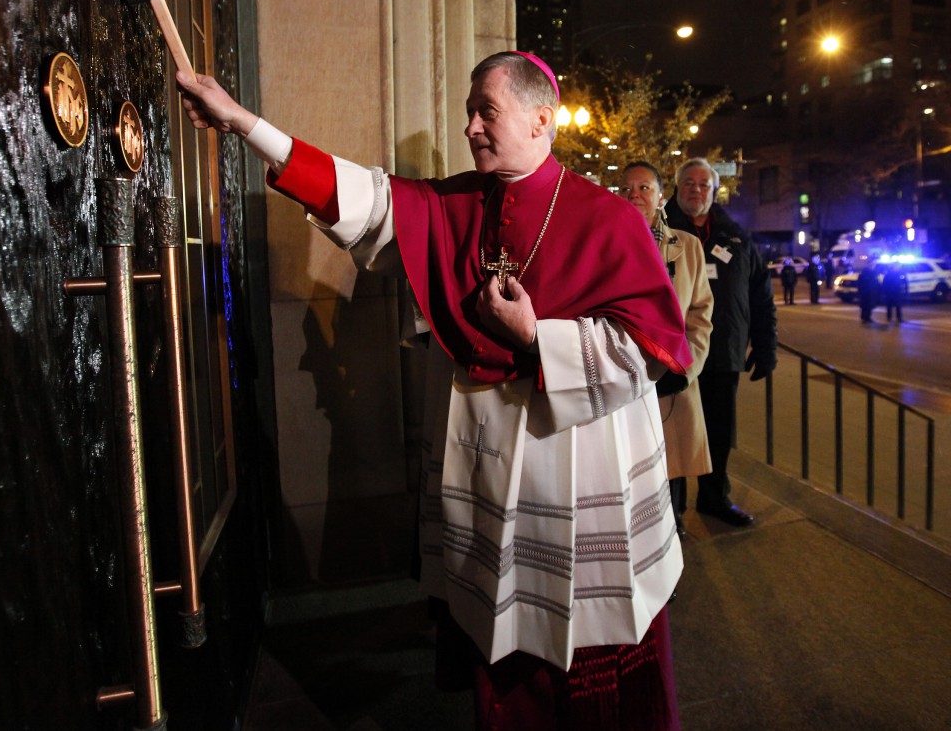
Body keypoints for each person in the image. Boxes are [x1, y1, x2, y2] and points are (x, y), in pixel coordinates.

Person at [176, 52, 692, 730]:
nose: (472, 126)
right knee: (497, 660)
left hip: (571, 485)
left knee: (584, 675)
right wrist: (246, 124)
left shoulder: (610, 220)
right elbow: (356, 194)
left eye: (488, 111)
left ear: (543, 119)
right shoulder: (455, 203)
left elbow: (654, 350)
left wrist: (537, 336)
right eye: (469, 112)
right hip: (485, 483)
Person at [665, 158, 777, 528]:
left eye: (704, 185)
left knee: (718, 432)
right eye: (688, 184)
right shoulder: (660, 233)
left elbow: (760, 297)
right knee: (676, 434)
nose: (696, 190)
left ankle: (715, 498)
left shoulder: (738, 238)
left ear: (715, 191)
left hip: (723, 354)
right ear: (676, 188)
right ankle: (672, 511)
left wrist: (765, 347)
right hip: (676, 356)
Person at [620, 162, 713, 542]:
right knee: (629, 472)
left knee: (669, 472)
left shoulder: (686, 247)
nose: (636, 195)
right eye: (628, 189)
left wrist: (684, 367)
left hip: (672, 379)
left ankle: (670, 545)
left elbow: (701, 315)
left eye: (645, 188)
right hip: (623, 378)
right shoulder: (608, 240)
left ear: (661, 197)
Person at [858, 259, 879, 324]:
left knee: (869, 305)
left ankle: (867, 317)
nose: (874, 265)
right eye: (873, 264)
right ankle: (865, 318)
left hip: (870, 292)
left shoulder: (873, 272)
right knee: (866, 305)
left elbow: (876, 281)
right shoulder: (866, 272)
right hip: (866, 292)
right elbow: (861, 281)